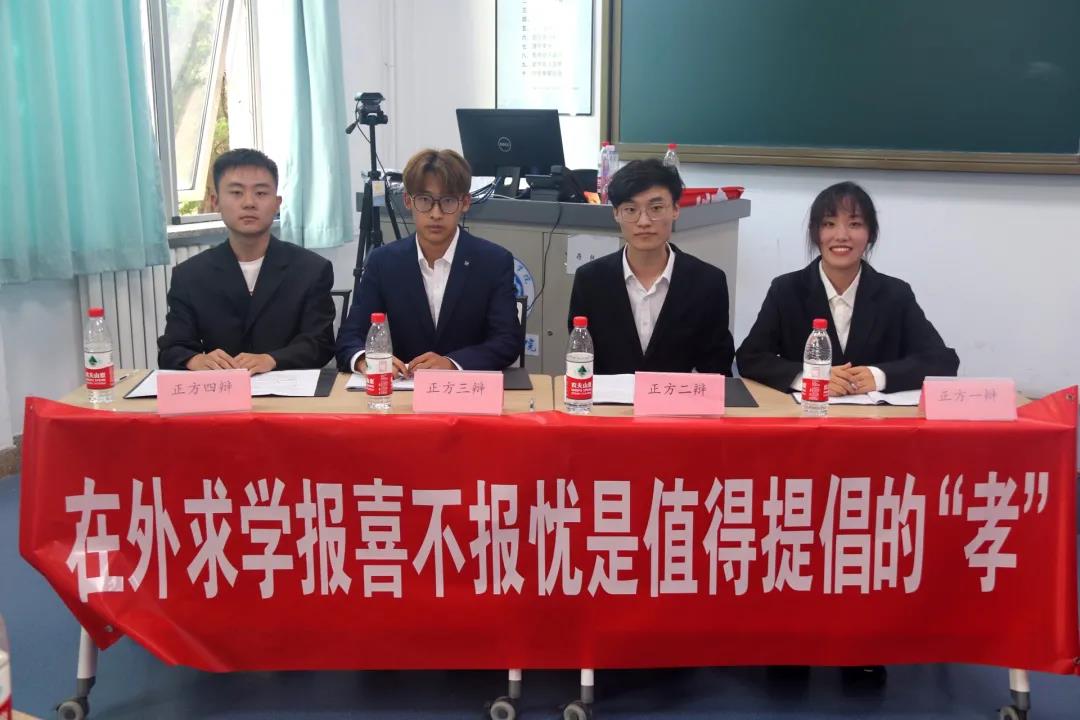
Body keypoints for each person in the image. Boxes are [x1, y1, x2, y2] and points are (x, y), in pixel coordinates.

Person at [736, 181, 959, 394]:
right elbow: (750, 358)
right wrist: (810, 377)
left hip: (875, 418)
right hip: (806, 414)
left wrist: (879, 376)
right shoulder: (786, 290)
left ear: (870, 234)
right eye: (829, 224)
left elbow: (943, 361)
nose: (841, 236)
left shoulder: (895, 294)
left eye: (855, 224)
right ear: (815, 233)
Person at [335, 148, 522, 375]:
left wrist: (452, 363)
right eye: (424, 200)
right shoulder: (384, 262)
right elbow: (350, 336)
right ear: (408, 201)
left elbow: (507, 341)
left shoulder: (493, 262)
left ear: (465, 203)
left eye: (448, 201)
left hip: (467, 387)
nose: (435, 214)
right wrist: (366, 360)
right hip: (405, 388)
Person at [157, 148, 335, 372]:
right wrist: (196, 360)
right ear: (215, 201)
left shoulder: (311, 269)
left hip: (289, 388)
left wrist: (272, 359)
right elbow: (172, 348)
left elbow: (321, 343)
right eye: (236, 192)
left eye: (260, 193)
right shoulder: (190, 275)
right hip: (222, 388)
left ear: (277, 203)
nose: (249, 203)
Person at [567, 158, 735, 375]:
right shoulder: (591, 280)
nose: (644, 221)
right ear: (616, 213)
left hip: (677, 396)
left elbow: (717, 370)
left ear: (675, 209)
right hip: (609, 397)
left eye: (656, 208)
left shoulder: (707, 282)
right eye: (630, 209)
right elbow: (582, 360)